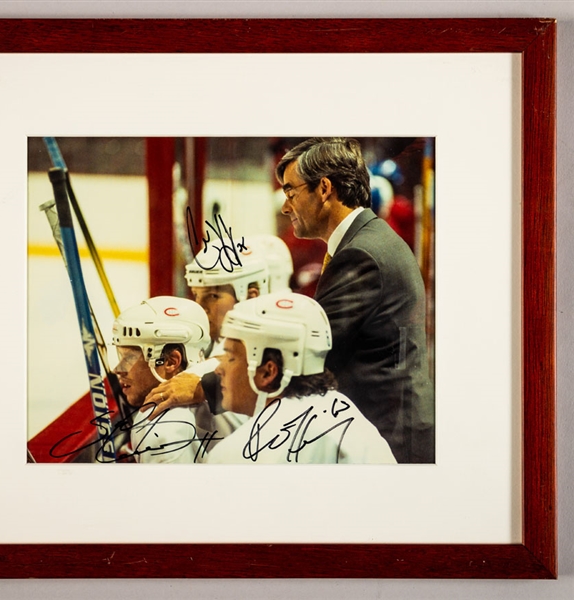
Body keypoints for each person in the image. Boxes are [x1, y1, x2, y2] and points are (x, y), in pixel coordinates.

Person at [275, 137, 434, 463]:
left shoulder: (361, 253)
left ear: (323, 189)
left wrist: (212, 385)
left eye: (290, 192)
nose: (285, 206)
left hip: (391, 442)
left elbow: (309, 348)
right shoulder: (367, 239)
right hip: (392, 431)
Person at [206, 292, 396, 464]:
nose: (219, 369)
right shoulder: (353, 419)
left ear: (267, 372)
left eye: (230, 357)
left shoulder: (233, 456)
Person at [142, 240, 270, 419]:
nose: (199, 307)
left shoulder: (249, 362)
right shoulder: (219, 345)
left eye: (212, 296)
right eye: (196, 294)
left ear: (250, 297)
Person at [111, 296, 223, 463]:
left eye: (129, 358)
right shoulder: (219, 370)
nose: (117, 369)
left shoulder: (161, 429)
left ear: (171, 362)